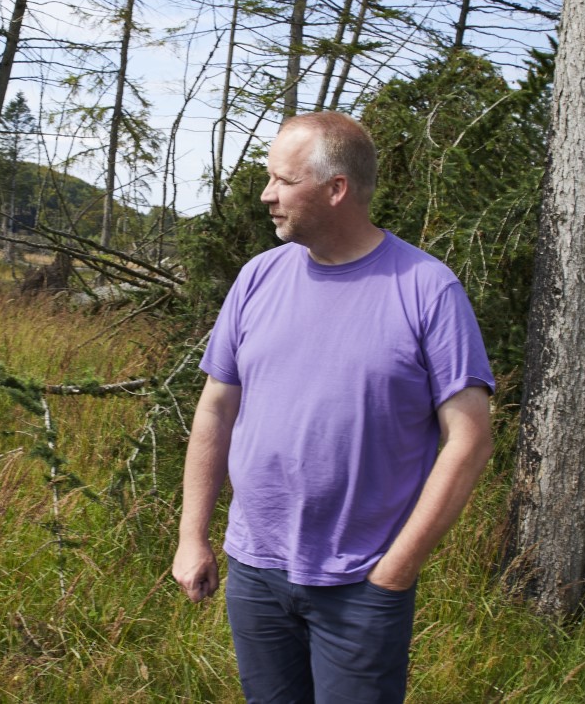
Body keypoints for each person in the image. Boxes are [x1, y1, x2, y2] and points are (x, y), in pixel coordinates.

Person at [172, 112, 494, 703]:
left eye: (282, 180)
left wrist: (396, 570)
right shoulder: (257, 278)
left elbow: (470, 438)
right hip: (255, 573)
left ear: (336, 189)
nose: (267, 195)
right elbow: (216, 410)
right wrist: (194, 534)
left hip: (361, 585)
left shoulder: (427, 288)